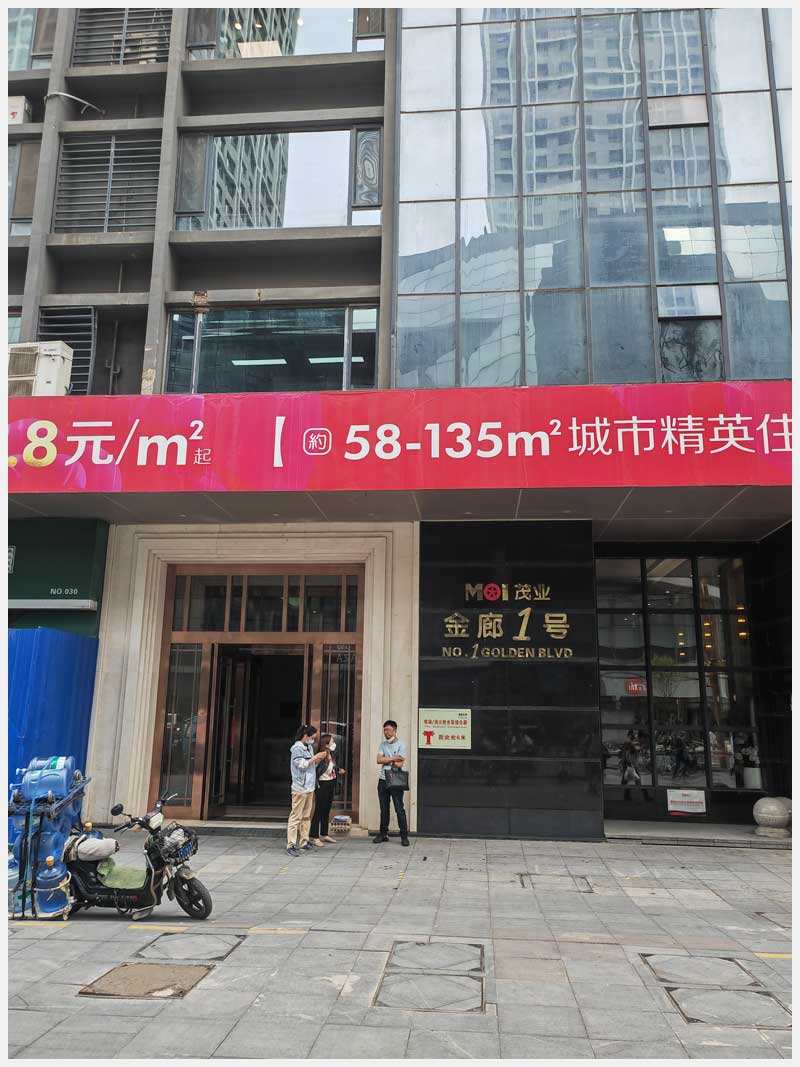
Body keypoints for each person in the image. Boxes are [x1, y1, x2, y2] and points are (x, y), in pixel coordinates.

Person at [287, 724, 326, 857]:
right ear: (305, 736)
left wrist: (317, 759)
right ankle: (291, 844)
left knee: (306, 816)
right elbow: (301, 765)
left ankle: (304, 841)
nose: (313, 740)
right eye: (312, 738)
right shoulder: (297, 748)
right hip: (300, 787)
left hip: (309, 787)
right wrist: (315, 757)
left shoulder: (308, 747)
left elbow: (310, 764)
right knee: (296, 816)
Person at [374, 719, 409, 846]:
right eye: (384, 730)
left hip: (395, 779)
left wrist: (386, 759)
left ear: (394, 730)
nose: (386, 732)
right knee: (384, 809)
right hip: (383, 780)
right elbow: (378, 760)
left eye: (388, 730)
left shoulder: (401, 745)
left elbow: (399, 764)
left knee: (399, 808)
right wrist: (394, 757)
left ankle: (404, 836)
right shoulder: (382, 745)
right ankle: (383, 834)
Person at [309, 733, 345, 846]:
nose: (334, 744)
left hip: (330, 783)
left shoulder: (330, 755)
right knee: (319, 810)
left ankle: (324, 834)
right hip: (322, 784)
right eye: (332, 742)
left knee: (326, 810)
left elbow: (331, 768)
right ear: (326, 744)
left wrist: (338, 770)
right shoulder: (321, 755)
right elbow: (315, 768)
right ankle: (314, 836)